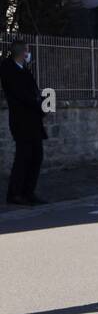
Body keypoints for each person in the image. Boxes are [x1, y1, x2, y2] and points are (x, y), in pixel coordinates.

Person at [1, 40, 46, 205]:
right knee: (23, 157)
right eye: (28, 50)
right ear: (22, 52)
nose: (29, 53)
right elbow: (21, 94)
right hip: (21, 121)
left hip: (33, 120)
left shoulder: (25, 70)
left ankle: (28, 192)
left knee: (36, 156)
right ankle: (15, 194)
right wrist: (37, 103)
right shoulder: (8, 69)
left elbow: (34, 91)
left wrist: (42, 103)